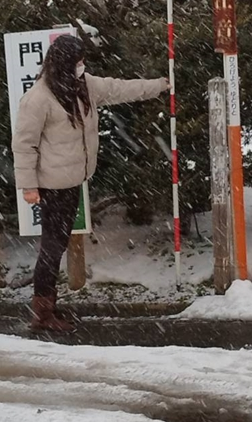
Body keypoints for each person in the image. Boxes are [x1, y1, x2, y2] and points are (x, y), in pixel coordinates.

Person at [12, 34, 169, 332]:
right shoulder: (39, 98)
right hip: (53, 185)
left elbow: (118, 88)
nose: (82, 66)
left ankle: (46, 307)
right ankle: (42, 314)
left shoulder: (83, 86)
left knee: (56, 244)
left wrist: (158, 86)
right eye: (78, 61)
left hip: (72, 180)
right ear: (63, 63)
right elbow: (23, 144)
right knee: (52, 247)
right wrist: (29, 186)